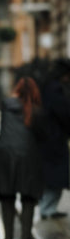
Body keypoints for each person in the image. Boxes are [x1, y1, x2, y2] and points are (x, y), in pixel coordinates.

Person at [0, 77, 43, 239]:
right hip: (28, 157)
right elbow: (43, 137)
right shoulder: (36, 111)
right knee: (28, 199)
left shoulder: (6, 104)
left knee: (7, 198)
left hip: (5, 155)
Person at [38, 58, 70, 219]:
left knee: (51, 175)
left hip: (48, 138)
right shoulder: (56, 89)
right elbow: (64, 113)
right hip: (54, 139)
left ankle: (47, 208)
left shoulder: (46, 86)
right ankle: (47, 209)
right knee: (56, 175)